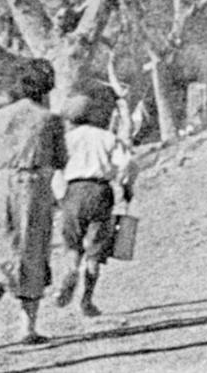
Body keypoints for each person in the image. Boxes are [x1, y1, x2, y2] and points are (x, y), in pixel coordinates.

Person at [0, 60, 67, 350]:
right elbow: (61, 160)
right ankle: (26, 328)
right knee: (32, 250)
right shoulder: (49, 119)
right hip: (31, 186)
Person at [54, 90, 137, 317]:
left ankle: (71, 271)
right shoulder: (106, 137)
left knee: (74, 245)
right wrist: (126, 187)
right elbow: (127, 163)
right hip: (100, 191)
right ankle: (87, 301)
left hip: (73, 191)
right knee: (95, 249)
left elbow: (56, 172)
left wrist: (61, 197)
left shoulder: (66, 140)